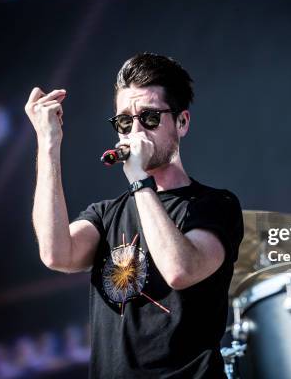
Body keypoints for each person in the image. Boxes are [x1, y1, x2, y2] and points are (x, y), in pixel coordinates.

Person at [25, 53, 244, 378]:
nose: (135, 130)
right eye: (125, 121)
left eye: (150, 117)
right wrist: (48, 143)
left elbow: (180, 270)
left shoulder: (214, 204)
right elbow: (56, 254)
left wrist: (140, 180)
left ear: (182, 122)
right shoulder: (105, 215)